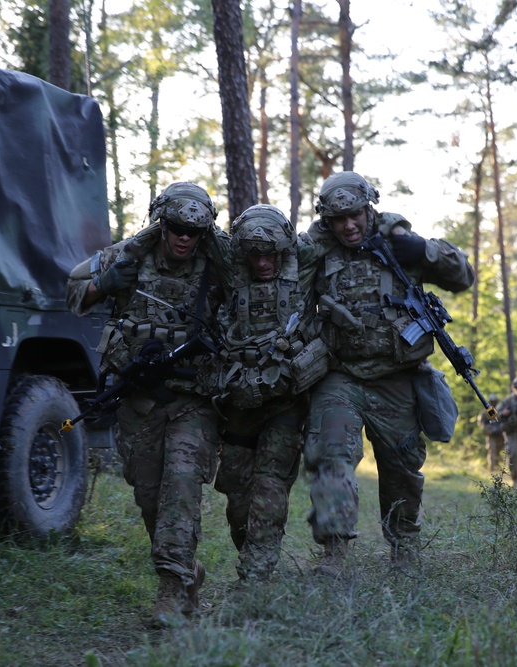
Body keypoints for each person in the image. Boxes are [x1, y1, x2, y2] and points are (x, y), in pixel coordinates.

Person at [66, 182, 224, 626]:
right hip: (138, 400)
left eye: (195, 231)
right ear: (161, 222)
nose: (184, 238)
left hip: (194, 399)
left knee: (182, 483)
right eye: (176, 227)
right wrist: (102, 285)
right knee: (149, 494)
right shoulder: (127, 256)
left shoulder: (218, 264)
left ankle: (170, 593)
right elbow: (71, 295)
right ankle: (186, 570)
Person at [302, 171, 474, 575]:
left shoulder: (398, 245)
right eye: (338, 218)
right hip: (340, 376)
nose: (349, 225)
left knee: (401, 468)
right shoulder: (316, 251)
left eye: (356, 215)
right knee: (332, 457)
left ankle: (404, 551)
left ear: (369, 208)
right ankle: (334, 554)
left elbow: (463, 275)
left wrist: (423, 250)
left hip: (398, 378)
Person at [204, 204, 328, 582]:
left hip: (285, 402)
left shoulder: (301, 259)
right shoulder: (231, 263)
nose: (262, 263)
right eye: (255, 254)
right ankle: (252, 553)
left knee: (270, 483)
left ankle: (256, 575)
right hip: (239, 402)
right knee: (238, 496)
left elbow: (341, 226)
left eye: (270, 254)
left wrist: (396, 229)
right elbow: (191, 228)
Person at [478, 393, 504, 472]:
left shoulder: (500, 411)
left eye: (494, 401)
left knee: (500, 451)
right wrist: (490, 430)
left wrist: (501, 429)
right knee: (492, 451)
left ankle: (498, 468)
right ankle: (492, 469)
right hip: (491, 435)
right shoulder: (484, 413)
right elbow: (481, 424)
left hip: (500, 435)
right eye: (492, 401)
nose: (493, 403)